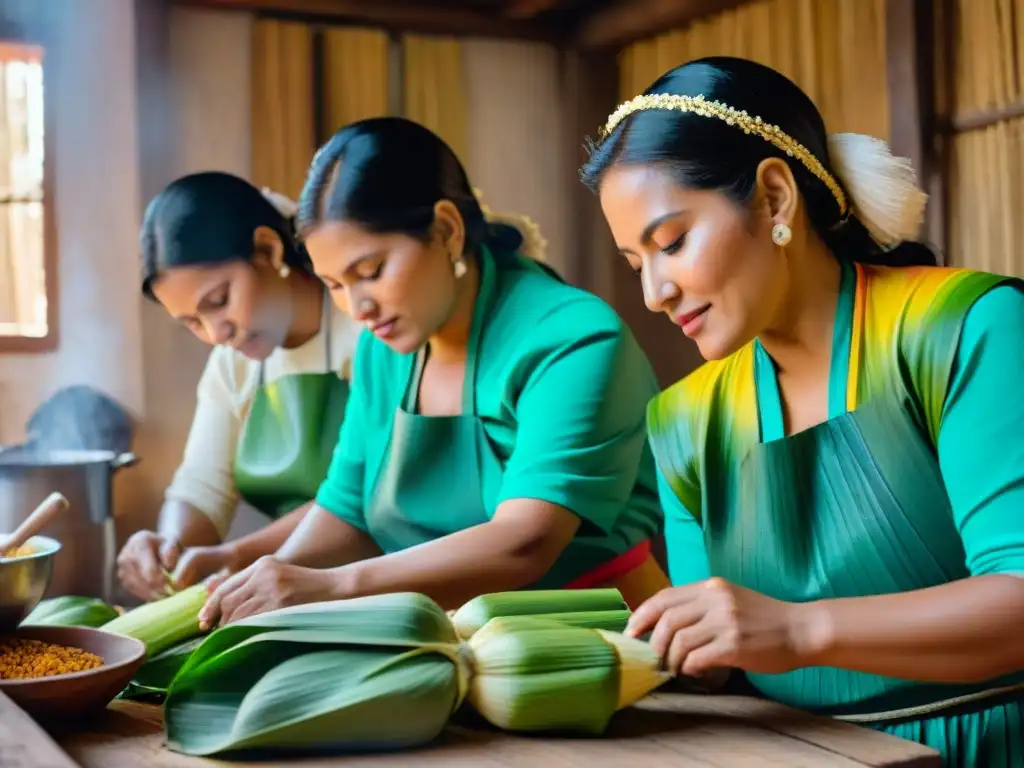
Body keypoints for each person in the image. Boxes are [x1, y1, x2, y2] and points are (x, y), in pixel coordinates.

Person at [579, 56, 1024, 767]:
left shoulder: (966, 328)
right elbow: (719, 662)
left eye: (671, 243)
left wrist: (795, 630)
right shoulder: (683, 419)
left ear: (775, 197)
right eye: (636, 263)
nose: (654, 293)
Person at [196, 116, 671, 628]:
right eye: (334, 284)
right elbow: (347, 506)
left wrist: (332, 585)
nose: (358, 306)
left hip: (588, 640)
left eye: (371, 272)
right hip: (441, 633)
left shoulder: (574, 339)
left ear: (446, 230)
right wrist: (268, 572)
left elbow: (525, 541)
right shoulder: (386, 348)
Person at [117, 172, 361, 602]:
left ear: (268, 249)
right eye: (192, 321)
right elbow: (201, 487)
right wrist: (169, 548)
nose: (215, 332)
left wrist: (240, 554)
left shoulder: (368, 328)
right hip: (290, 593)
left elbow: (367, 489)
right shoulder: (232, 365)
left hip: (384, 584)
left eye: (219, 301)